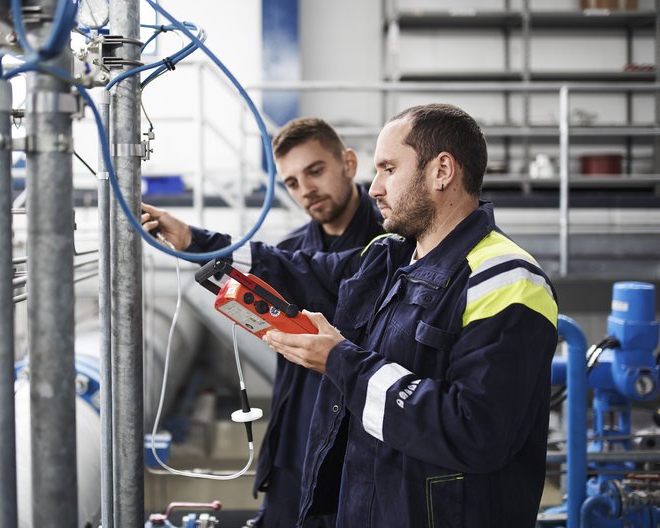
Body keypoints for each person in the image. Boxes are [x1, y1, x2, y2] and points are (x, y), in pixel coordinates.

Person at [142, 103, 558, 528]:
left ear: (442, 171)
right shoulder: (390, 257)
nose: (375, 187)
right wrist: (196, 241)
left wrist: (340, 361)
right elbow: (296, 270)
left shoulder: (506, 279)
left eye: (389, 169)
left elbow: (475, 431)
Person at [249, 118, 383, 527]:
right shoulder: (288, 253)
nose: (305, 190)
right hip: (295, 442)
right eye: (291, 182)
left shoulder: (394, 243)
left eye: (315, 171)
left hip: (362, 450)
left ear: (348, 163)